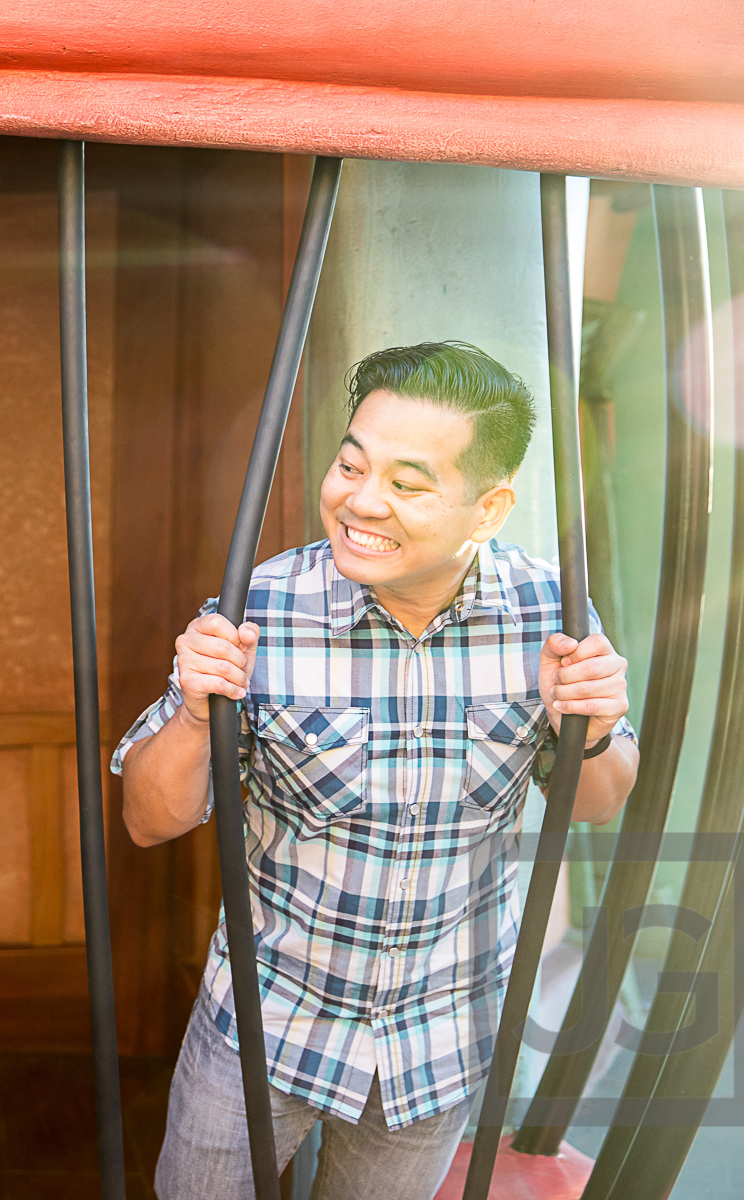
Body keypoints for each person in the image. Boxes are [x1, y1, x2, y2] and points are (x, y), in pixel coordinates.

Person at [115, 343, 639, 1200]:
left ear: (488, 508)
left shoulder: (551, 613)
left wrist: (593, 726)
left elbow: (599, 802)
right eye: (351, 464)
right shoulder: (262, 609)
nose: (359, 500)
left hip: (438, 1038)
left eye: (407, 482)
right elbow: (149, 819)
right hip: (265, 1021)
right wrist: (193, 705)